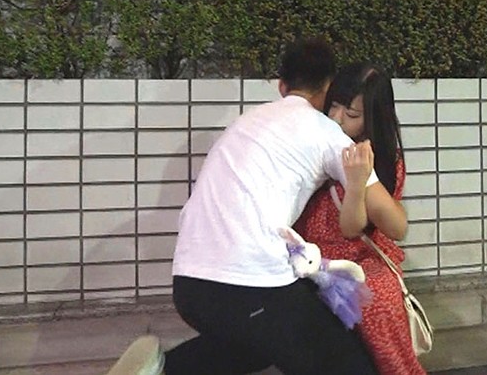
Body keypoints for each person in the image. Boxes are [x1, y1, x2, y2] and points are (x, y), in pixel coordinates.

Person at [106, 37, 406, 375]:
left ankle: (161, 369)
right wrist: (362, 178)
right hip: (246, 283)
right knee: (344, 364)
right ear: (328, 87)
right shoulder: (327, 133)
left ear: (282, 86)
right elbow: (395, 223)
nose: (337, 117)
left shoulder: (247, 121)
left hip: (189, 285)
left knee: (256, 345)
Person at [292, 63, 425, 375]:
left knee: (376, 299)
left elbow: (353, 228)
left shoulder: (377, 159)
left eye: (351, 114)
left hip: (357, 255)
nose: (336, 118)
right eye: (333, 106)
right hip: (308, 254)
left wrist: (356, 183)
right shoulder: (311, 142)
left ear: (372, 119)